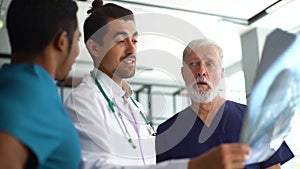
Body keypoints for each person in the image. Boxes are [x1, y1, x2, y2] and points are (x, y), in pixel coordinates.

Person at [65, 0, 252, 169]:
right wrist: (192, 166)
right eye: (121, 41)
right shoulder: (84, 102)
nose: (132, 49)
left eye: (135, 40)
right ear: (95, 47)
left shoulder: (134, 105)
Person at [155, 38, 295, 168]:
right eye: (193, 64)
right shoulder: (167, 132)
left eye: (209, 64)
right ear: (183, 73)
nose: (202, 71)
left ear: (221, 73)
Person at [0, 0, 81, 168]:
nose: (77, 51)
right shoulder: (32, 94)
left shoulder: (13, 82)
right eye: (78, 39)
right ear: (62, 41)